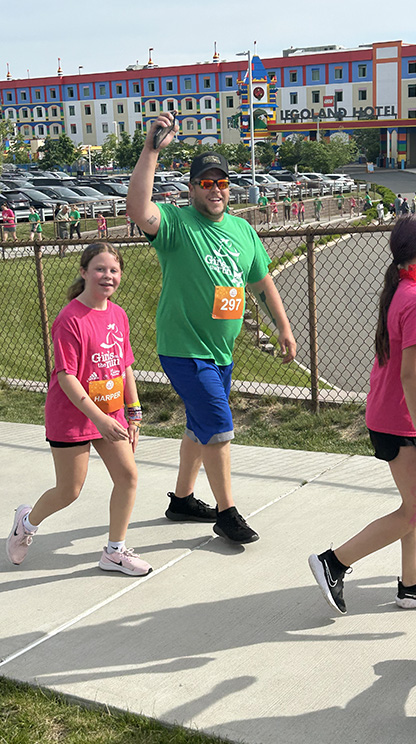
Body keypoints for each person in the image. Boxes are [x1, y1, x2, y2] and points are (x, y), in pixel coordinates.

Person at [126, 115, 297, 545]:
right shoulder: (177, 225)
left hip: (221, 351)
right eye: (205, 183)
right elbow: (137, 209)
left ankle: (182, 499)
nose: (215, 189)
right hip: (185, 348)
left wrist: (284, 327)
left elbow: (262, 281)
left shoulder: (241, 230)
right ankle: (227, 513)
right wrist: (151, 151)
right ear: (192, 188)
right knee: (219, 425)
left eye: (221, 182)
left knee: (198, 426)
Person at [308, 215, 416, 614]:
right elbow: (410, 375)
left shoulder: (413, 295)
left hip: (400, 415)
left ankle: (412, 585)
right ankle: (334, 562)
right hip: (403, 420)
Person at [5, 242, 152, 577]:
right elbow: (66, 376)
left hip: (110, 415)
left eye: (114, 270)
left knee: (128, 477)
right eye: (100, 269)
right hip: (73, 416)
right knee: (69, 491)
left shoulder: (118, 315)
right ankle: (26, 524)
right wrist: (98, 419)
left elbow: (125, 366)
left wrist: (134, 413)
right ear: (84, 272)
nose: (108, 276)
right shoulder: (70, 319)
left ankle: (114, 552)